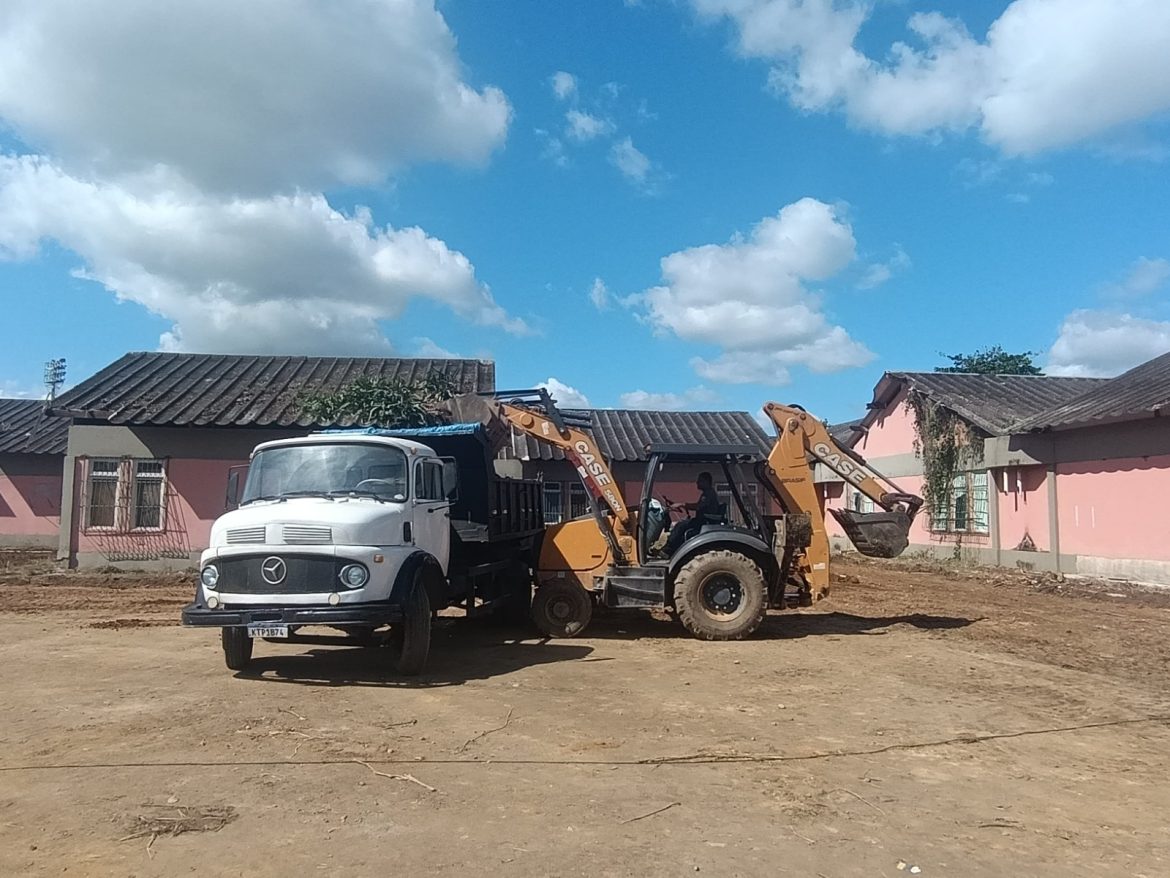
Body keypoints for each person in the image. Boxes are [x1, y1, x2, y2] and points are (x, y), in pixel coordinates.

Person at [662, 472, 721, 556]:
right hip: (703, 520)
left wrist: (682, 504)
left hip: (704, 521)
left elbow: (698, 507)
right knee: (682, 525)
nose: (697, 483)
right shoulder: (707, 493)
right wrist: (682, 505)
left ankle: (668, 550)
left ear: (706, 481)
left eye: (700, 481)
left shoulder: (709, 494)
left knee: (680, 526)